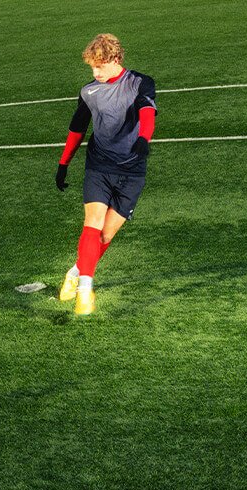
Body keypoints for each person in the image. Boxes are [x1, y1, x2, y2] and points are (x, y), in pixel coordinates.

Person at [55, 33, 157, 315]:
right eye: (92, 67)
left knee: (105, 235)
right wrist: (64, 163)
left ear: (115, 59)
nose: (95, 73)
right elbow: (77, 128)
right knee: (92, 222)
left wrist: (143, 139)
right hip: (99, 165)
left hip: (132, 171)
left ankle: (76, 272)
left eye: (99, 66)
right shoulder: (89, 92)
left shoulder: (140, 83)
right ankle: (85, 290)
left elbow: (147, 111)